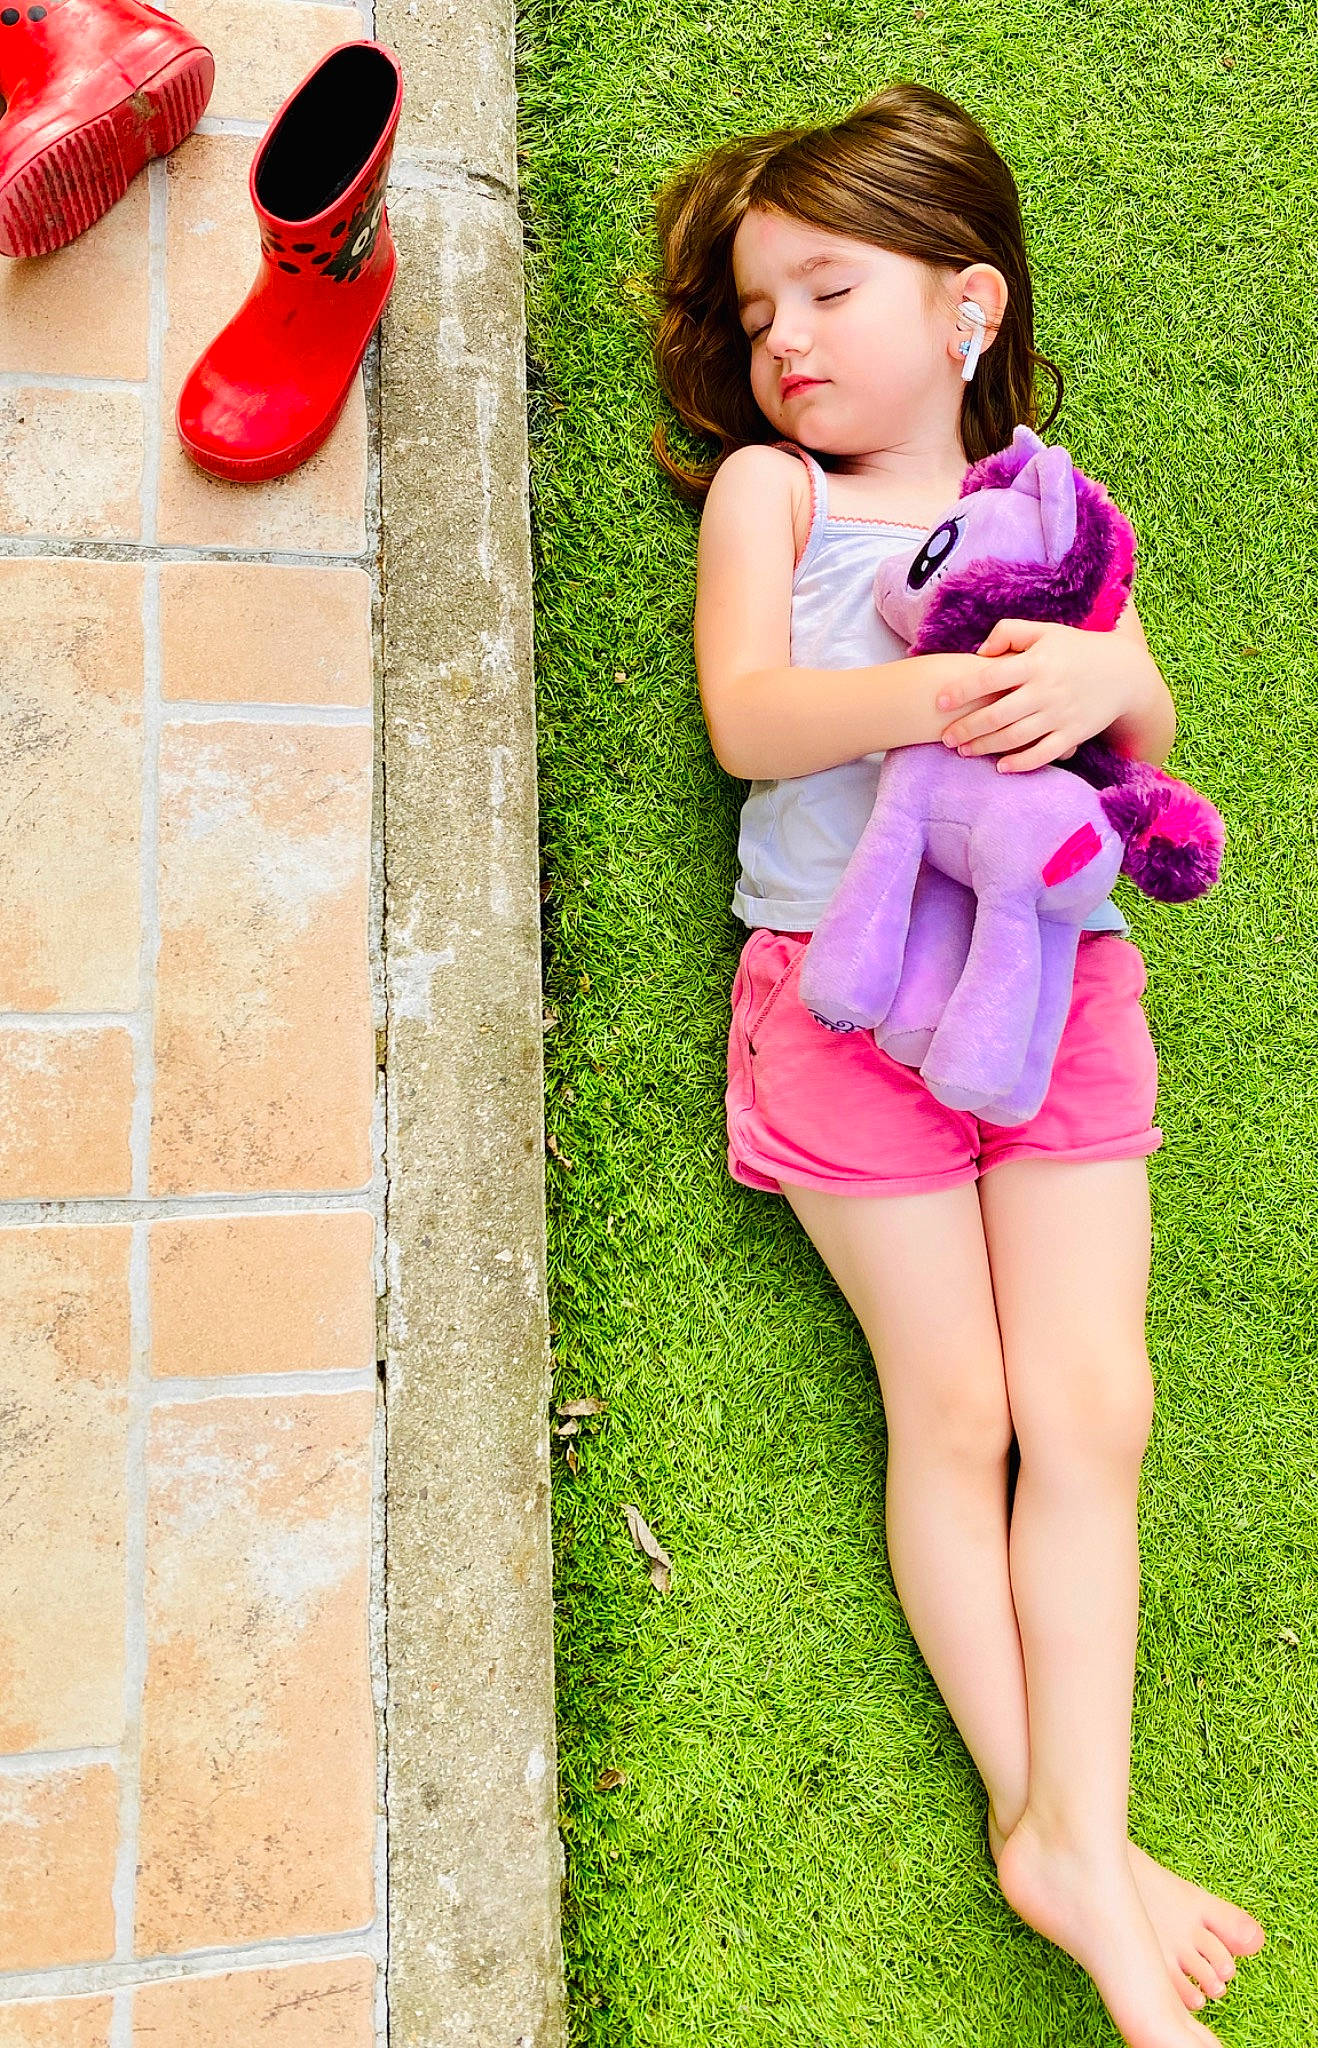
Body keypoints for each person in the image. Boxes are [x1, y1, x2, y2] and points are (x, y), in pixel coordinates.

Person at [649, 80, 1265, 2048]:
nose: (785, 345)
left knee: (1093, 1402)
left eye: (822, 292)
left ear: (965, 308)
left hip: (1053, 982)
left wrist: (1111, 681)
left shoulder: (1049, 508)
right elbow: (750, 714)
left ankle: (1062, 1830)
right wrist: (938, 692)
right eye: (756, 315)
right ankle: (1068, 1849)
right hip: (847, 1003)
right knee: (963, 1406)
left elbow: (1138, 727)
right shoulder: (781, 495)